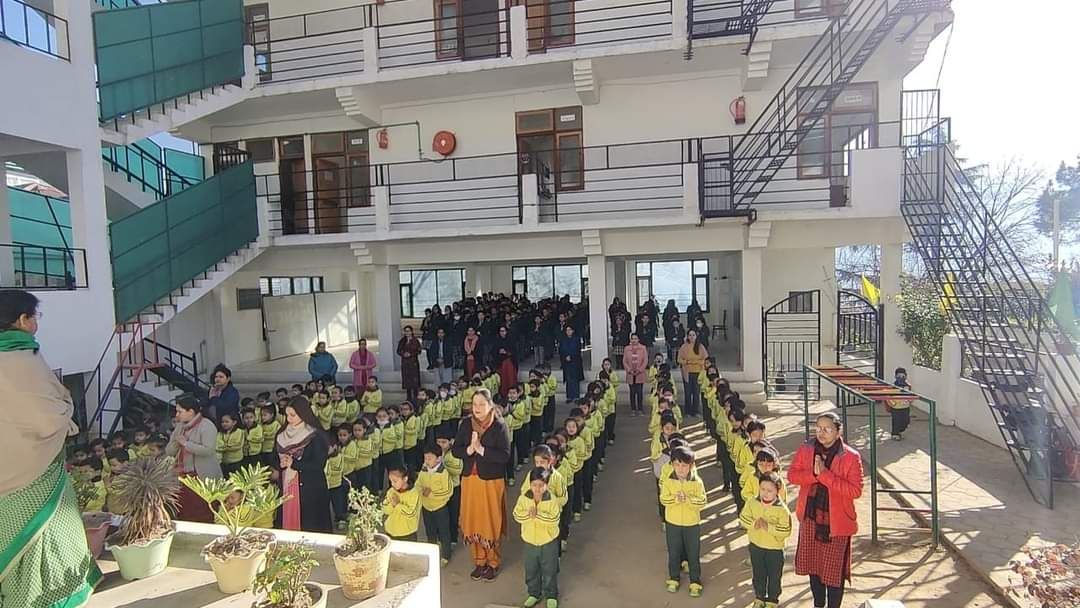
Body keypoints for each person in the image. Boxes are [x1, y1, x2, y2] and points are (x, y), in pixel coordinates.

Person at [0, 290, 101, 607]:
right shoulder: (21, 358)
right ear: (22, 320)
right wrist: (66, 410)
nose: (36, 324)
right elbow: (46, 417)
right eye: (35, 317)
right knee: (46, 534)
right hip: (33, 471)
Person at [789, 412, 864, 608]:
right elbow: (792, 476)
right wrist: (814, 475)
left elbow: (855, 490)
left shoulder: (850, 456)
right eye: (819, 428)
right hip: (810, 516)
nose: (821, 433)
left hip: (837, 522)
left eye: (827, 429)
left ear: (838, 432)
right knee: (813, 565)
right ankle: (818, 604)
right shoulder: (806, 449)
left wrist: (824, 475)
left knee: (833, 572)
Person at [453, 388, 512, 582]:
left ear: (490, 405)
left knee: (490, 521)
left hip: (491, 481)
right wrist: (469, 450)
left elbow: (505, 455)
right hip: (470, 480)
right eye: (474, 404)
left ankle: (493, 562)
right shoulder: (465, 424)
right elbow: (455, 450)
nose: (477, 408)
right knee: (472, 519)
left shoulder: (499, 425)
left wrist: (482, 450)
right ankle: (479, 561)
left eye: (481, 404)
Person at [276, 395, 332, 533]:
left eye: (293, 415)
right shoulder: (281, 434)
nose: (289, 419)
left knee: (310, 525)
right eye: (287, 415)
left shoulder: (315, 435)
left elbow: (318, 464)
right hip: (286, 484)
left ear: (303, 414)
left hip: (310, 488)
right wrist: (280, 464)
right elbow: (274, 456)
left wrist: (294, 464)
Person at [740, 473, 793, 608]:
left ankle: (772, 600)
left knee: (774, 576)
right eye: (762, 489)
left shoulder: (782, 510)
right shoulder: (752, 502)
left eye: (770, 490)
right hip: (756, 546)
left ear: (777, 491)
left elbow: (786, 530)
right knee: (758, 574)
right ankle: (759, 597)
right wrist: (753, 524)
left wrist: (768, 527)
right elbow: (743, 518)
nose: (765, 493)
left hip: (774, 550)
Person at [659, 446, 706, 598]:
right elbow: (663, 499)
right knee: (674, 551)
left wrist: (688, 500)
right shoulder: (668, 481)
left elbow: (702, 501)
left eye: (684, 465)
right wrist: (675, 499)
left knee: (693, 553)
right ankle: (673, 578)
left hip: (692, 524)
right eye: (677, 464)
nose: (680, 469)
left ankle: (695, 581)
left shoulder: (697, 482)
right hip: (672, 523)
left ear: (691, 466)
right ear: (672, 464)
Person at [168, 395, 223, 523]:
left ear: (191, 411)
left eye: (180, 411)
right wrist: (177, 443)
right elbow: (169, 451)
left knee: (203, 512)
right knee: (183, 511)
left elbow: (208, 450)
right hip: (181, 476)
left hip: (202, 476)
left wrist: (186, 444)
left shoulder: (207, 425)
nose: (177, 415)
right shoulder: (179, 426)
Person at [513, 467, 562, 608]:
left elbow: (554, 519)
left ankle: (551, 595)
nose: (537, 488)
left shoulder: (552, 500)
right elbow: (517, 515)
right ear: (530, 484)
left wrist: (537, 515)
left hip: (548, 542)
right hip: (530, 542)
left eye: (541, 485)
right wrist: (529, 515)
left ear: (547, 485)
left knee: (550, 570)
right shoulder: (523, 498)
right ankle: (534, 593)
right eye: (534, 485)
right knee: (531, 569)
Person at [417, 444, 454, 565]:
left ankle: (446, 555)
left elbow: (448, 491)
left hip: (440, 508)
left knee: (444, 532)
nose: (427, 461)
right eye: (425, 458)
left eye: (430, 458)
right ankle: (432, 551)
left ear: (438, 459)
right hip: (426, 508)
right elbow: (418, 484)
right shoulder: (423, 470)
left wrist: (431, 494)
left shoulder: (443, 473)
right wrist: (420, 491)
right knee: (430, 531)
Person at [383, 466, 421, 542]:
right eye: (391, 481)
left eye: (395, 481)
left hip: (407, 534)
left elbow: (411, 513)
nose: (392, 484)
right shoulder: (391, 491)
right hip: (390, 531)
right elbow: (385, 510)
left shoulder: (414, 493)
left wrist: (397, 505)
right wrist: (392, 505)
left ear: (405, 479)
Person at [676, 329, 708, 417]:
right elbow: (679, 359)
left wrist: (694, 362)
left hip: (698, 372)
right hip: (687, 372)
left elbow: (705, 359)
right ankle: (688, 412)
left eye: (693, 335)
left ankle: (696, 411)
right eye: (690, 335)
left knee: (696, 392)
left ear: (696, 336)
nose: (692, 337)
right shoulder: (684, 347)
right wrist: (687, 362)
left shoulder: (700, 346)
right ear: (687, 336)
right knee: (688, 392)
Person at [622, 333, 648, 417]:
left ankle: (640, 409)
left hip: (640, 374)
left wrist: (640, 370)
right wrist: (629, 370)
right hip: (630, 374)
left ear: (638, 339)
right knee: (632, 393)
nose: (634, 340)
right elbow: (624, 361)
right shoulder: (627, 348)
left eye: (635, 338)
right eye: (632, 339)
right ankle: (633, 409)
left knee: (639, 392)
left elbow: (645, 360)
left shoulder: (643, 348)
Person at [558, 325, 584, 403]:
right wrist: (565, 357)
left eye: (570, 330)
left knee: (575, 379)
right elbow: (561, 350)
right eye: (567, 330)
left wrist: (571, 357)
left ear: (573, 331)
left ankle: (576, 396)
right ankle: (569, 396)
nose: (568, 331)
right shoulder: (563, 340)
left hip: (575, 361)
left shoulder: (576, 339)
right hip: (566, 362)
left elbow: (577, 350)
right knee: (568, 379)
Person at [398, 326, 423, 404]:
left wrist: (411, 354)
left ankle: (415, 397)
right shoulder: (402, 341)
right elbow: (398, 350)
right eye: (406, 331)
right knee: (407, 381)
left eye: (408, 331)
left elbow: (419, 350)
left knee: (414, 381)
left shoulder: (415, 340)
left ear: (412, 332)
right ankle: (408, 398)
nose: (407, 333)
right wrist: (403, 353)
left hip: (413, 363)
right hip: (405, 363)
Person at [215, 412, 245, 478]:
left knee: (237, 480)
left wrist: (224, 447)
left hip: (236, 462)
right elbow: (217, 446)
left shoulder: (239, 432)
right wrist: (228, 446)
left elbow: (237, 446)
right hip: (224, 462)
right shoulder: (220, 433)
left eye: (227, 422)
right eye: (222, 422)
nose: (224, 424)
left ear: (234, 422)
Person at [493, 326, 518, 398]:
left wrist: (506, 352)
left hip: (509, 363)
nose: (502, 333)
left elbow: (514, 351)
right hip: (500, 363)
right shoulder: (497, 340)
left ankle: (511, 394)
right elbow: (493, 351)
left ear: (506, 332)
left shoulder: (511, 340)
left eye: (503, 331)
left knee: (510, 379)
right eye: (501, 331)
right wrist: (499, 351)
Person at [889, 367, 912, 440]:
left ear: (906, 376)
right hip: (896, 407)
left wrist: (910, 401)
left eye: (903, 376)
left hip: (905, 407)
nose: (901, 378)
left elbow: (911, 395)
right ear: (895, 376)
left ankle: (900, 430)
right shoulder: (893, 386)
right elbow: (888, 396)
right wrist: (892, 403)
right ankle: (895, 434)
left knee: (906, 421)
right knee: (896, 421)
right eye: (899, 376)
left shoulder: (908, 386)